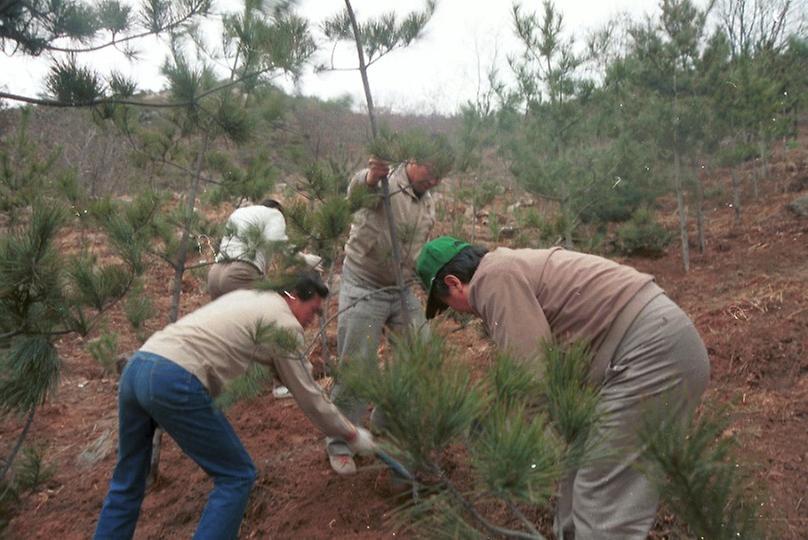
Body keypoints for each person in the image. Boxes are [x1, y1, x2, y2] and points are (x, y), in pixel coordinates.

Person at [415, 236, 710, 540]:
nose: (459, 313)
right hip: (650, 345)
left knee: (600, 496)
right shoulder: (506, 267)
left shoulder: (494, 279)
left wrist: (523, 452)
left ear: (454, 283)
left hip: (652, 353)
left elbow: (531, 373)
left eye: (448, 305)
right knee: (578, 473)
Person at [93, 272, 376, 540]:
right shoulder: (284, 325)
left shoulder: (249, 297)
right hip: (175, 379)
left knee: (128, 481)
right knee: (236, 476)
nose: (312, 321)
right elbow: (310, 397)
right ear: (293, 297)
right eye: (313, 310)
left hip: (138, 367)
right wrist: (350, 433)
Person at [326, 137, 455, 476]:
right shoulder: (384, 182)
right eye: (432, 171)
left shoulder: (429, 199)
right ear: (413, 159)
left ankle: (385, 423)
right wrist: (370, 177)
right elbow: (356, 195)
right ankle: (340, 442)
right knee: (358, 364)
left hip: (401, 288)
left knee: (422, 351)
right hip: (364, 284)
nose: (436, 180)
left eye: (442, 175)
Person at [207, 199, 289, 300]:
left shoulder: (241, 213)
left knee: (227, 315)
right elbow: (280, 245)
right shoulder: (275, 214)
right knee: (275, 307)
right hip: (240, 273)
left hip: (215, 273)